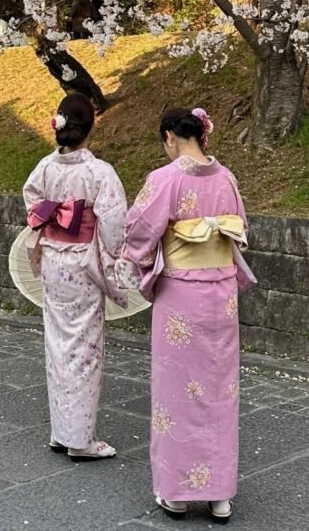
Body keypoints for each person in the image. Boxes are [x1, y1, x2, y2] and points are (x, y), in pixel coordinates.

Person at [121, 107, 248, 524]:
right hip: (222, 295)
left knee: (177, 391)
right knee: (218, 389)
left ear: (171, 138)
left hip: (182, 294)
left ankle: (176, 493)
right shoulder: (227, 177)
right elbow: (240, 226)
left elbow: (139, 228)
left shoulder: (165, 179)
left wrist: (138, 262)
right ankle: (219, 496)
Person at [23, 93, 128, 459]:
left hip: (54, 259)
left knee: (57, 343)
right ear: (90, 128)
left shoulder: (46, 168)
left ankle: (61, 431)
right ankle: (80, 440)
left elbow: (32, 201)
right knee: (84, 348)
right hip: (83, 263)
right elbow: (115, 223)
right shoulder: (98, 172)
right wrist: (115, 259)